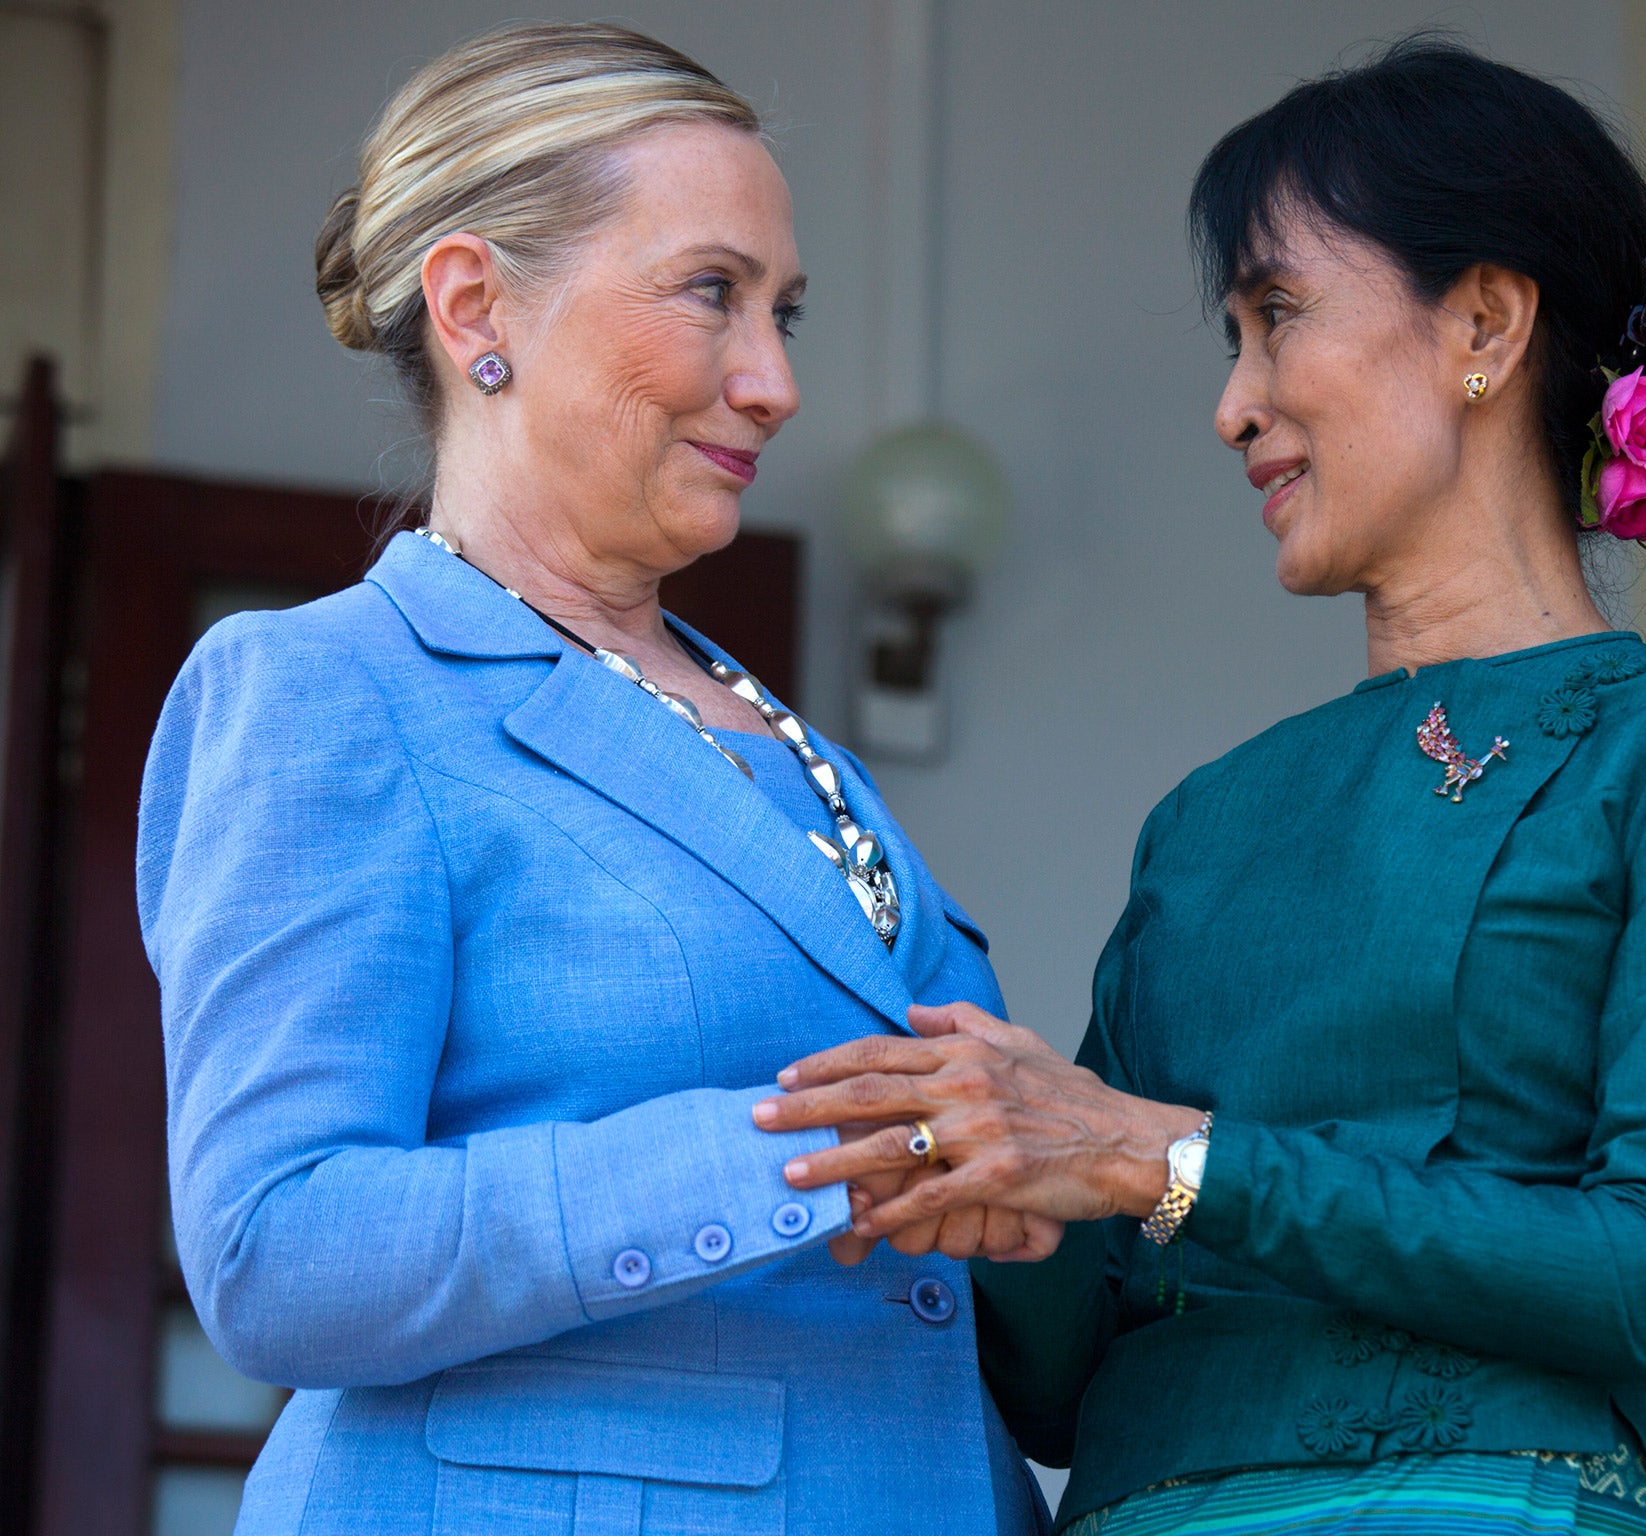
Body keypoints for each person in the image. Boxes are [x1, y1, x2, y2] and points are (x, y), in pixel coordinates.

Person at [758, 40, 1646, 1535]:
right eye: (1233, 337)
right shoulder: (1212, 816)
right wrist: (988, 1193)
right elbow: (1064, 1376)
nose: (1235, 405)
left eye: (1277, 317)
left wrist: (1153, 1155)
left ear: (1483, 321)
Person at [138, 23, 1051, 1536]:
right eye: (712, 293)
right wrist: (807, 1155)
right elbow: (274, 1249)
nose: (774, 381)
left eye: (787, 313)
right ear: (476, 301)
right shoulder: (327, 691)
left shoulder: (792, 741)